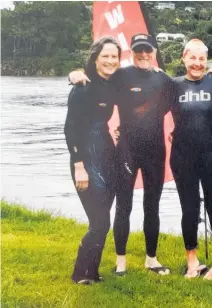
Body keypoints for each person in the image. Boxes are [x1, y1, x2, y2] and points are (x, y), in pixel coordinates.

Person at [69, 33, 176, 276]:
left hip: (155, 151)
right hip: (126, 150)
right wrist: (74, 74)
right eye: (138, 49)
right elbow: (95, 78)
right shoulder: (120, 75)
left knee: (153, 205)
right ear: (131, 51)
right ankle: (121, 262)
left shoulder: (164, 80)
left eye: (148, 50)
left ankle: (152, 259)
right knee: (123, 206)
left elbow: (182, 96)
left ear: (155, 52)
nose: (144, 54)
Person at [170, 39, 212, 279]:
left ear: (207, 60)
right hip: (182, 156)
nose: (197, 63)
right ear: (184, 57)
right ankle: (192, 260)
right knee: (189, 209)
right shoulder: (172, 86)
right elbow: (144, 97)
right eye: (192, 58)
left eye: (202, 59)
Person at [64, 36, 121, 284]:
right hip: (86, 159)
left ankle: (93, 272)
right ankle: (79, 272)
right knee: (99, 220)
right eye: (105, 56)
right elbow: (70, 129)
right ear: (96, 59)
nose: (110, 60)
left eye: (114, 56)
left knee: (103, 219)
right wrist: (79, 166)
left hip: (107, 154)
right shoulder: (83, 86)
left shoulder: (114, 84)